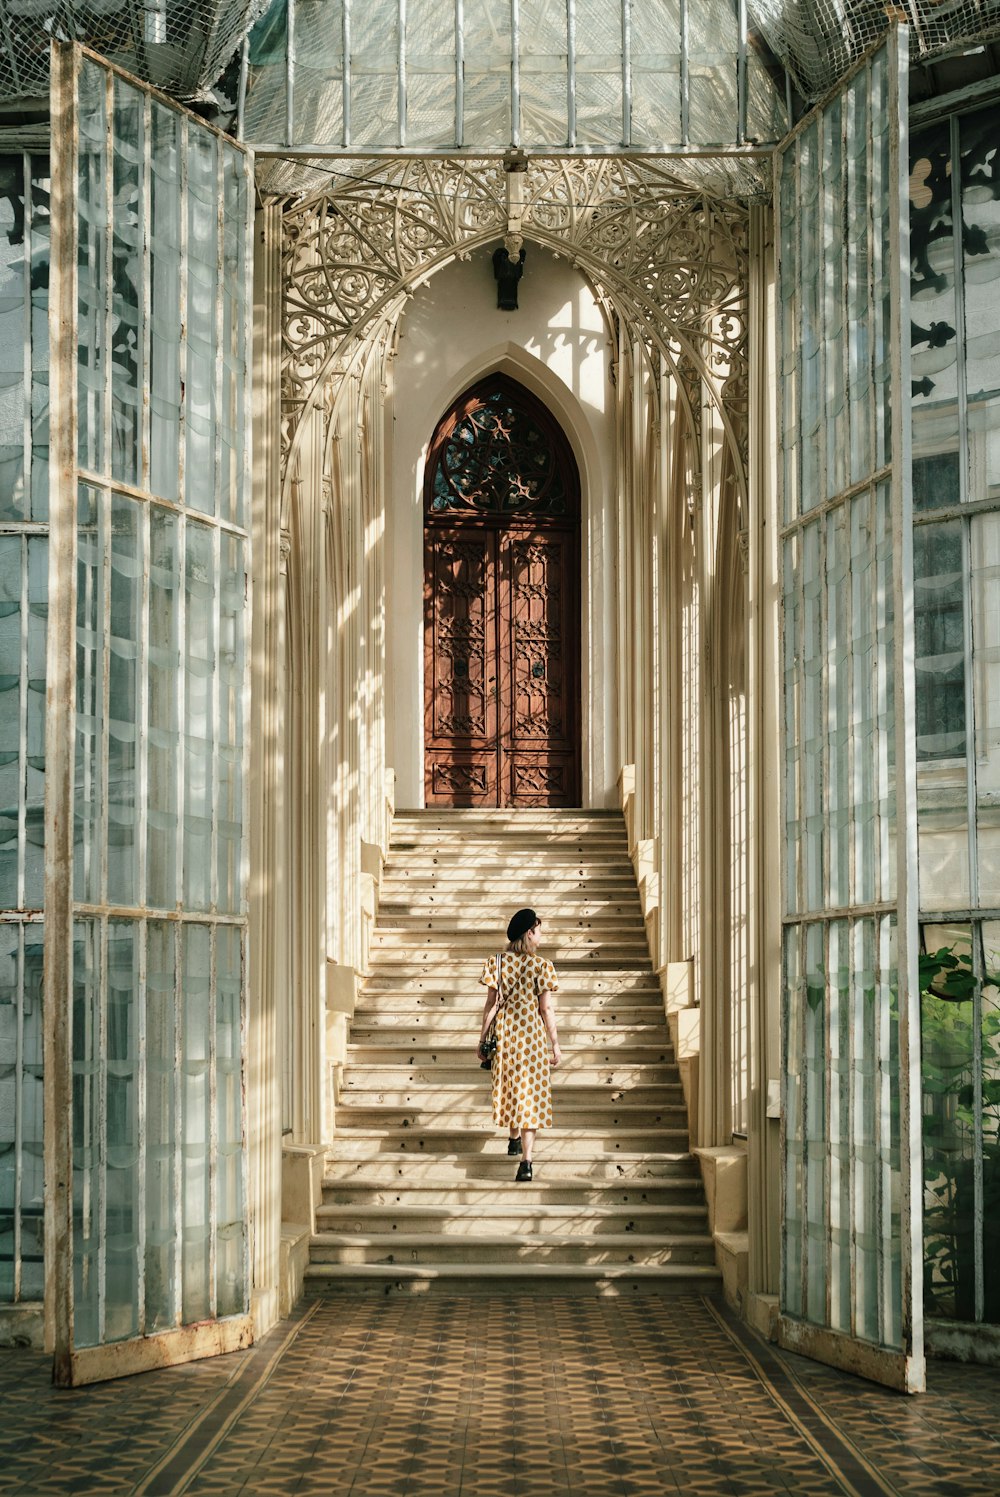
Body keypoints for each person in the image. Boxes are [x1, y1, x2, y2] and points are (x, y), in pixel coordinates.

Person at [476, 907, 561, 1182]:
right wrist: (555, 1045)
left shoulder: (497, 962)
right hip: (533, 1040)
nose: (541, 937)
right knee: (530, 1097)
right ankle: (526, 1161)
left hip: (506, 1038)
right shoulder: (542, 966)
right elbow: (545, 1010)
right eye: (539, 931)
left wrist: (481, 1040)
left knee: (513, 1089)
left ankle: (513, 1138)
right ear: (529, 933)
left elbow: (490, 1004)